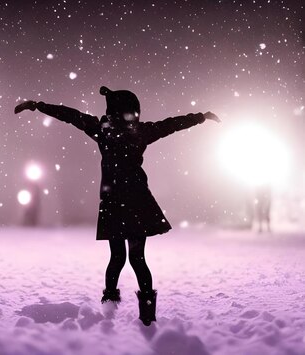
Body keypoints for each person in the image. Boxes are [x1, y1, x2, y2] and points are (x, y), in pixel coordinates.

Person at [14, 86, 219, 326]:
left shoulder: (105, 130)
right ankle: (141, 315)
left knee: (121, 258)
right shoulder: (132, 131)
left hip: (119, 203)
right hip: (133, 202)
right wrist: (200, 117)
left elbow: (71, 116)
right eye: (132, 112)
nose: (134, 116)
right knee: (132, 258)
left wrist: (38, 105)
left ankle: (116, 309)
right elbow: (170, 125)